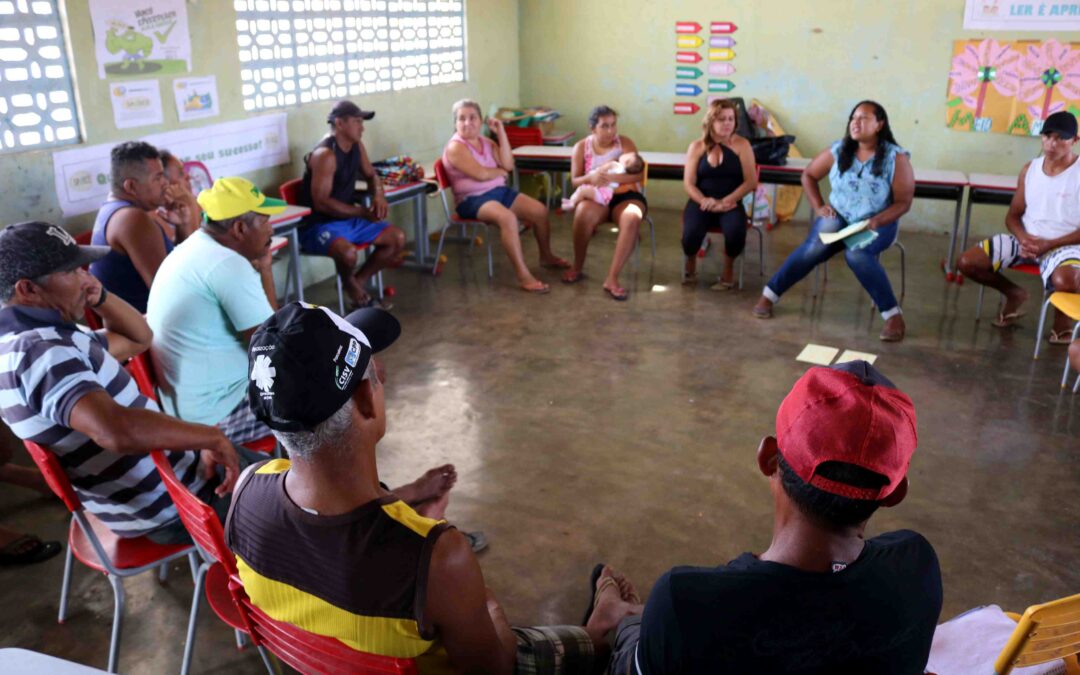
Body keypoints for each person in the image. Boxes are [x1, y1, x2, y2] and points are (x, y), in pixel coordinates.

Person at [227, 303, 642, 673]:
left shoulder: (246, 492)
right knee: (590, 647)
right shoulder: (440, 560)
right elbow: (495, 666)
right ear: (366, 402)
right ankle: (604, 627)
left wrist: (413, 525)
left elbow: (331, 542)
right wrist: (487, 603)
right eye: (377, 371)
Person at [609, 360, 942, 674]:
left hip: (665, 634)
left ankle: (616, 620)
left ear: (768, 458)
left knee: (635, 634)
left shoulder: (686, 602)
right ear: (896, 493)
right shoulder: (917, 567)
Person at [0, 221, 240, 544]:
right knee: (307, 501)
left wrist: (100, 298)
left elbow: (138, 338)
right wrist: (210, 437)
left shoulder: (47, 338)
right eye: (71, 272)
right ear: (28, 289)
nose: (86, 278)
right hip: (178, 502)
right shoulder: (40, 353)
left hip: (176, 478)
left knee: (286, 476)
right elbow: (116, 430)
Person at [752, 101, 913, 341]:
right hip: (839, 217)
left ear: (880, 124)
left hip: (876, 222)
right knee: (816, 246)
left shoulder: (895, 158)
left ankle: (893, 316)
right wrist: (818, 206)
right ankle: (769, 295)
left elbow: (903, 202)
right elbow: (808, 175)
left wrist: (878, 221)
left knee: (857, 254)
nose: (856, 122)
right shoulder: (839, 150)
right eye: (853, 117)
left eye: (864, 118)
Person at [147, 177, 281, 448]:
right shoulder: (227, 265)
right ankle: (309, 484)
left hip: (186, 407)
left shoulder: (196, 247)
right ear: (240, 228)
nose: (271, 228)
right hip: (218, 415)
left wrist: (265, 268)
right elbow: (274, 346)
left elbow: (269, 327)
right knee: (333, 394)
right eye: (265, 220)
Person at [957, 111, 1080, 341]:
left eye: (1060, 138)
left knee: (1066, 279)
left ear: (1075, 140)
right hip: (1027, 241)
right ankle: (1015, 294)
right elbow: (1013, 216)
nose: (1051, 144)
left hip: (1066, 245)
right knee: (967, 262)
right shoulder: (1030, 169)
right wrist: (1023, 238)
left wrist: (1049, 244)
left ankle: (1062, 324)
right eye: (1047, 136)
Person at [442, 99, 569, 294]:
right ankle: (523, 276)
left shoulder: (487, 142)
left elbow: (508, 165)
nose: (467, 123)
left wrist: (501, 132)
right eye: (461, 119)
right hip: (472, 199)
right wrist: (498, 172)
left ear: (481, 121)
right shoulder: (455, 147)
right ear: (455, 123)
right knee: (508, 218)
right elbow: (481, 174)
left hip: (498, 193)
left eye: (472, 118)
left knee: (540, 211)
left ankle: (546, 256)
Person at [296, 100, 407, 308]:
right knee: (348, 253)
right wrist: (362, 212)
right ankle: (353, 287)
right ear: (339, 123)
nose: (362, 127)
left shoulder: (356, 146)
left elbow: (371, 174)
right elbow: (321, 203)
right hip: (319, 225)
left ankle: (355, 283)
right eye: (357, 121)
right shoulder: (325, 155)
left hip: (349, 219)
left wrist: (379, 196)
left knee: (397, 238)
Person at [561, 105, 648, 301]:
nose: (611, 131)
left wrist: (610, 179)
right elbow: (575, 180)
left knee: (632, 216)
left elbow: (639, 174)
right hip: (598, 195)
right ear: (593, 128)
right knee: (582, 212)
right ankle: (577, 266)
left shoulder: (624, 143)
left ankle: (612, 278)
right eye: (604, 126)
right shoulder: (581, 147)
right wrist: (591, 178)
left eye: (613, 125)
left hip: (625, 195)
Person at [682, 99, 758, 290]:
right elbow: (689, 183)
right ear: (710, 122)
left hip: (730, 202)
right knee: (691, 233)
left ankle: (728, 270)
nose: (727, 123)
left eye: (731, 119)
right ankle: (690, 261)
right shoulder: (697, 146)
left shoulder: (742, 145)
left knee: (735, 232)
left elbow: (751, 181)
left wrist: (727, 201)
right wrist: (704, 200)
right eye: (722, 119)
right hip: (701, 201)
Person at [89, 141, 172, 313]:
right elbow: (170, 291)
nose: (165, 183)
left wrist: (184, 225)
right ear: (131, 186)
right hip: (149, 330)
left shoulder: (112, 211)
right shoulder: (133, 219)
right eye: (157, 178)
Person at [561, 151, 644, 211]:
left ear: (626, 161)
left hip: (602, 193)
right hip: (605, 193)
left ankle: (572, 203)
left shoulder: (616, 165)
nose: (623, 154)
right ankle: (572, 201)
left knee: (582, 191)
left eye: (626, 154)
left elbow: (603, 168)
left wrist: (605, 166)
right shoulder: (624, 171)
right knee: (582, 190)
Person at [149, 150, 201, 244]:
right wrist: (190, 203)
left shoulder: (193, 202)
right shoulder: (153, 219)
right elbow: (196, 248)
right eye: (181, 173)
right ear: (165, 183)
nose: (188, 176)